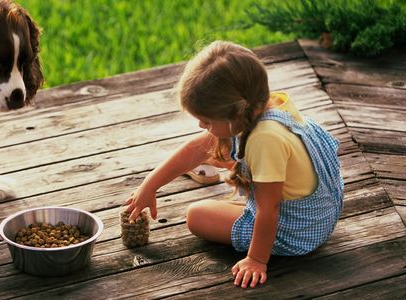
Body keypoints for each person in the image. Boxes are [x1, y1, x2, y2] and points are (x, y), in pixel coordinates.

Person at [125, 40, 343, 288]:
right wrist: (149, 186)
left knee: (196, 215)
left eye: (206, 121)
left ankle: (260, 247)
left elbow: (268, 210)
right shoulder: (266, 104)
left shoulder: (264, 139)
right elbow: (194, 150)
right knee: (214, 152)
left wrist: (256, 259)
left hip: (300, 231)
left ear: (236, 113)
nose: (201, 126)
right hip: (324, 209)